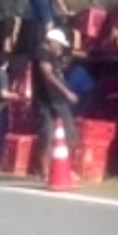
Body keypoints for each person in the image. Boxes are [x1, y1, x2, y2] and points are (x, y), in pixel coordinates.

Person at [33, 28, 80, 179]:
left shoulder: (53, 56)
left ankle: (65, 167)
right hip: (48, 100)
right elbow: (47, 74)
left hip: (58, 100)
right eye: (59, 45)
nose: (60, 48)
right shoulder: (42, 53)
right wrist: (66, 92)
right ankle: (45, 172)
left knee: (70, 134)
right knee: (47, 134)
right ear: (52, 42)